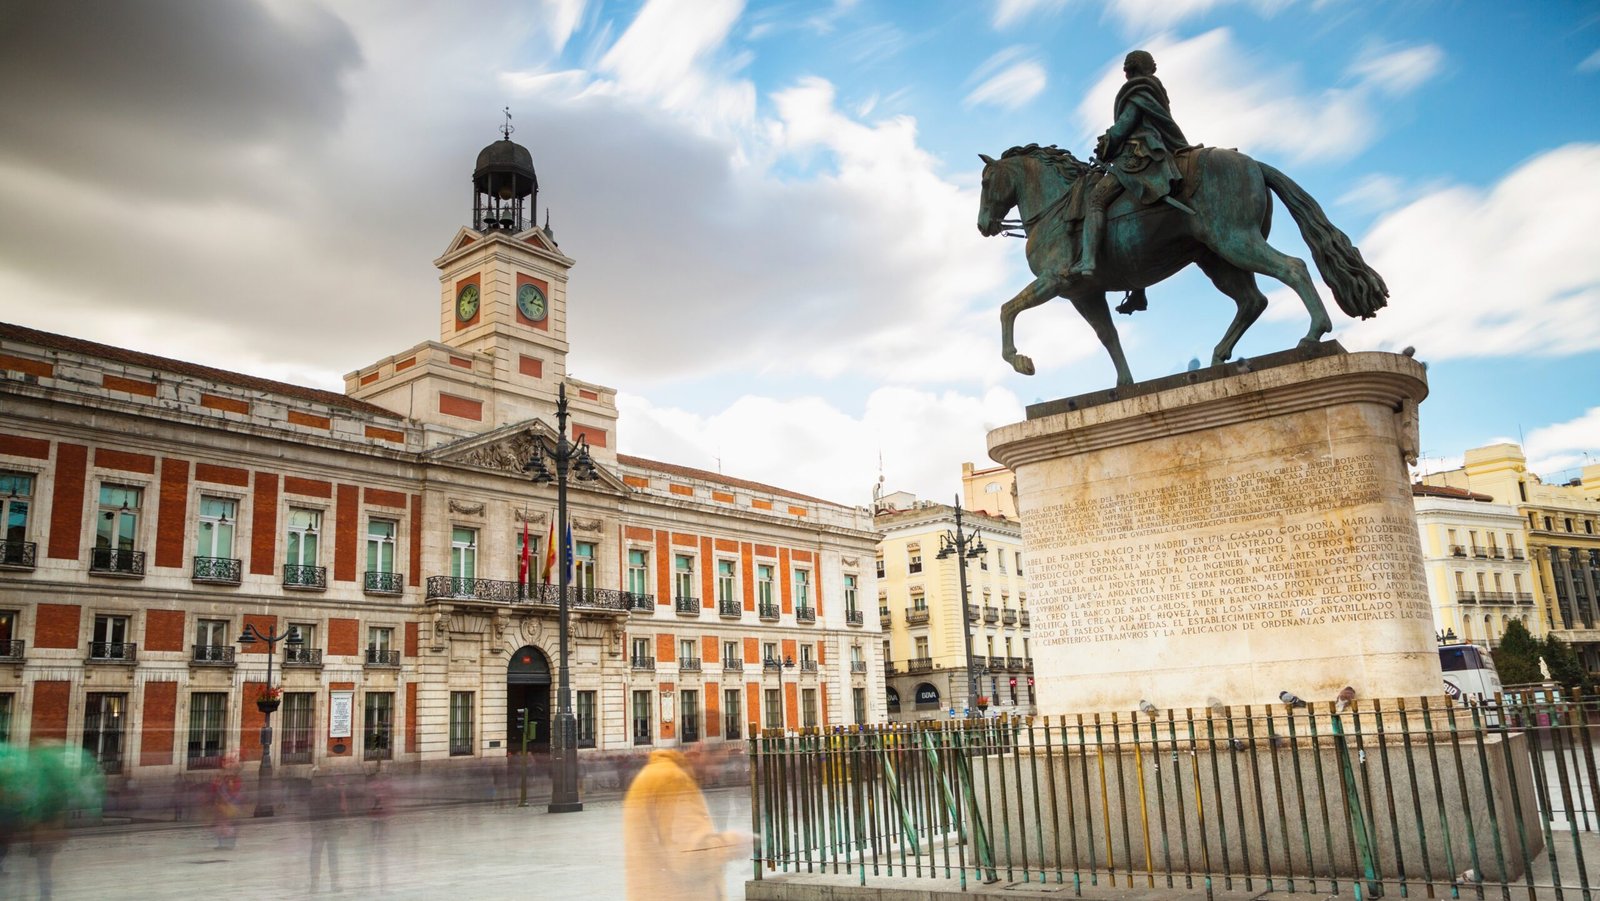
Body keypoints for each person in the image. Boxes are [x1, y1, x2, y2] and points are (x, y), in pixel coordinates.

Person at [1072, 50, 1192, 292]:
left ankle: (1088, 260)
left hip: (1138, 157)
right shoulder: (1155, 90)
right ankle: (1138, 292)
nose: (1125, 73)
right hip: (1153, 152)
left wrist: (1107, 142)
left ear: (1131, 69)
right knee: (1131, 212)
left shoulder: (1138, 91)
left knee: (1095, 200)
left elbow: (1125, 125)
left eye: (1126, 68)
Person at [621, 746, 747, 901]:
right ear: (698, 752)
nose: (718, 773)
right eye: (717, 763)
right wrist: (733, 843)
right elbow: (690, 859)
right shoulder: (674, 780)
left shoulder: (654, 773)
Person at [306, 768, 347, 893]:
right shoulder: (334, 791)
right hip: (331, 825)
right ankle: (334, 883)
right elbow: (342, 808)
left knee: (316, 853)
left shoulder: (313, 792)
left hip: (319, 825)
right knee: (332, 854)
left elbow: (310, 809)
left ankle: (314, 883)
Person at [207, 757, 243, 850]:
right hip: (222, 804)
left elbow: (234, 792)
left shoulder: (234, 780)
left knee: (227, 824)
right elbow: (215, 790)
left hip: (230, 804)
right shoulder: (223, 779)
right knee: (221, 825)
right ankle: (223, 843)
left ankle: (229, 843)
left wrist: (227, 799)